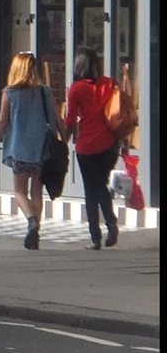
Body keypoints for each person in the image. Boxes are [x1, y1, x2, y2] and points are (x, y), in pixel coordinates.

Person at [0, 51, 67, 250]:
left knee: (19, 191)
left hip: (19, 149)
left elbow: (1, 124)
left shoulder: (9, 93)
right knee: (37, 191)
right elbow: (59, 120)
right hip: (42, 149)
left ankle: (31, 221)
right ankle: (36, 229)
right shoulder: (45, 91)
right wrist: (65, 140)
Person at [64, 45, 123, 250]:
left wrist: (64, 139)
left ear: (78, 65)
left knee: (91, 190)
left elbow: (70, 121)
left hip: (87, 146)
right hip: (109, 145)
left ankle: (96, 237)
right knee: (101, 184)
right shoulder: (110, 83)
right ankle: (111, 224)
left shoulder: (77, 89)